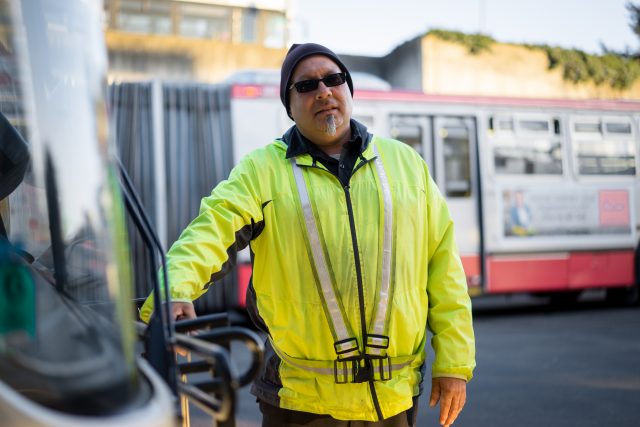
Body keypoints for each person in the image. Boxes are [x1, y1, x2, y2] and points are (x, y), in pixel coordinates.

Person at [141, 43, 475, 427]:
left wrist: (454, 363)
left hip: (394, 403)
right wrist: (173, 290)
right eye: (306, 86)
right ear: (290, 104)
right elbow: (210, 230)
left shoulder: (407, 165)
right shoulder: (262, 170)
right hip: (300, 406)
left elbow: (444, 269)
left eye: (333, 79)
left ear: (349, 90)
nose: (323, 91)